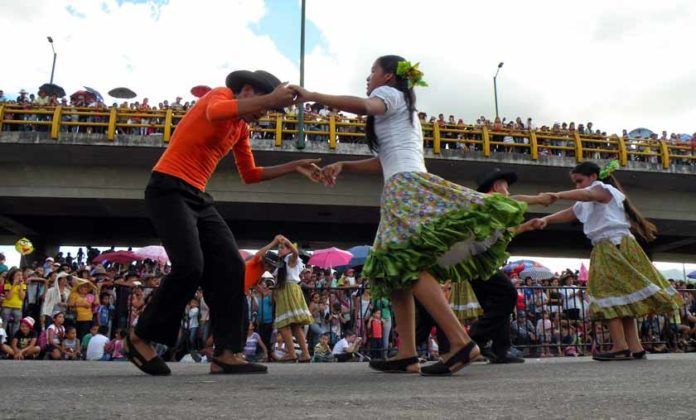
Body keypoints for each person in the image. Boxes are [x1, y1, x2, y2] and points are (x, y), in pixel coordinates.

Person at [292, 55, 529, 376]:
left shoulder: (390, 96)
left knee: (406, 264)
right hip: (401, 185)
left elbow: (366, 106)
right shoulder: (404, 109)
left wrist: (312, 96)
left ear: (389, 76)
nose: (368, 77)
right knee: (394, 270)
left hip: (404, 187)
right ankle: (406, 353)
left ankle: (461, 342)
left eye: (372, 71)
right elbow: (383, 161)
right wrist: (345, 164)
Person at [126, 69, 323, 376]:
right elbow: (216, 112)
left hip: (198, 197)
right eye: (264, 106)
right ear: (246, 90)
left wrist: (294, 165)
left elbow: (250, 174)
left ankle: (226, 353)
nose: (263, 114)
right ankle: (140, 337)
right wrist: (274, 97)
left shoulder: (241, 129)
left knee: (231, 266)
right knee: (190, 266)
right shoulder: (219, 95)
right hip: (167, 188)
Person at [530, 161, 683, 361]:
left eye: (579, 181)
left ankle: (620, 345)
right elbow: (571, 212)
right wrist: (547, 219)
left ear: (593, 177)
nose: (577, 186)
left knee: (605, 292)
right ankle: (634, 346)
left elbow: (587, 194)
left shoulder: (603, 189)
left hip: (611, 245)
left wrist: (557, 195)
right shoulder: (588, 199)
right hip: (615, 245)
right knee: (623, 296)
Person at [416, 168, 553, 363]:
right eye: (505, 186)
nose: (508, 191)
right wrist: (539, 199)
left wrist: (525, 226)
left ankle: (500, 349)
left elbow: (498, 236)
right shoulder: (488, 200)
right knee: (507, 295)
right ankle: (471, 341)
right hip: (474, 263)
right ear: (497, 186)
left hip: (475, 262)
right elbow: (514, 200)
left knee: (496, 303)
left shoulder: (491, 208)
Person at [272, 235, 313, 362]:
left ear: (289, 249)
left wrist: (287, 241)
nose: (280, 250)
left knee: (285, 324)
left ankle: (294, 353)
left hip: (290, 290)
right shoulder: (280, 263)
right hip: (283, 291)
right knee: (294, 325)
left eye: (282, 248)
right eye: (279, 248)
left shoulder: (290, 258)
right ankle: (303, 354)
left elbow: (295, 251)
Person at [2, 268, 27, 337]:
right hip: (7, 307)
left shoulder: (23, 286)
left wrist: (21, 287)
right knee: (4, 325)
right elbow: (8, 297)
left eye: (21, 275)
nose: (20, 277)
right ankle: (1, 341)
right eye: (18, 275)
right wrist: (13, 285)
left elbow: (22, 297)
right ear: (13, 276)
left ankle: (13, 342)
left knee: (16, 326)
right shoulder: (7, 284)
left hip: (18, 308)